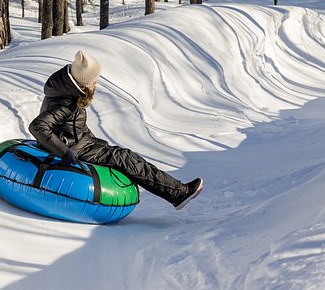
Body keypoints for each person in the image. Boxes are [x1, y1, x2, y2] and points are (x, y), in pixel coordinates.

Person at [29, 51, 203, 210]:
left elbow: (72, 126)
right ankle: (179, 193)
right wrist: (65, 152)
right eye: (95, 80)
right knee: (126, 158)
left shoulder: (66, 89)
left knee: (122, 155)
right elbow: (37, 127)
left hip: (82, 144)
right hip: (75, 150)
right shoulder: (66, 103)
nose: (97, 83)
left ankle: (177, 191)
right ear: (85, 83)